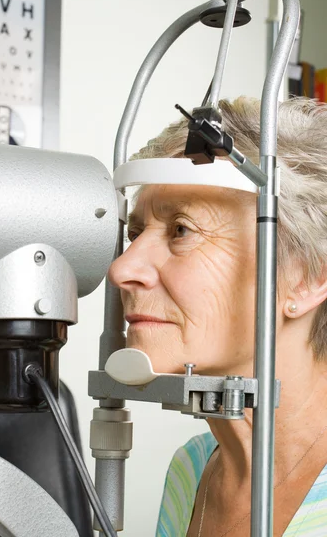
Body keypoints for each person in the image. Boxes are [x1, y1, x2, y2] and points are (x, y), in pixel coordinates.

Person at [108, 96, 327, 537]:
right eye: (134, 233)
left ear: (305, 277)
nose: (122, 269)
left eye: (181, 230)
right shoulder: (191, 470)